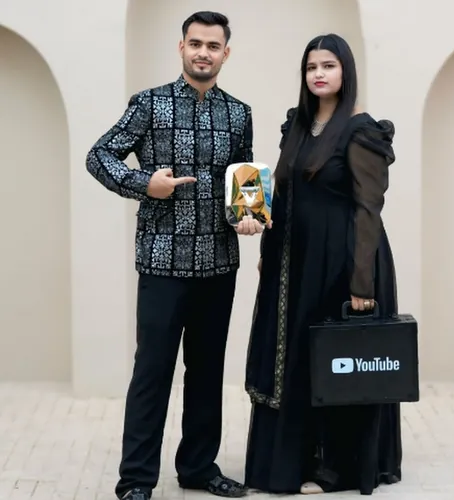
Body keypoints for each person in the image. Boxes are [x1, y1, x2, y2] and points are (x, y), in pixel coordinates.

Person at [86, 11, 262, 500]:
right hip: (162, 264)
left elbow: (243, 179)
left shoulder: (239, 113)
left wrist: (247, 216)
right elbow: (99, 155)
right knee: (152, 373)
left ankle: (199, 468)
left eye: (213, 45)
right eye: (195, 43)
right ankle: (136, 481)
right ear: (181, 47)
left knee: (206, 374)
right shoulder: (150, 104)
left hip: (219, 264)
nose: (203, 52)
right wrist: (145, 184)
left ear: (226, 53)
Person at [244, 33, 402, 496]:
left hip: (344, 262)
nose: (318, 74)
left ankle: (335, 469)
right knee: (294, 359)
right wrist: (268, 250)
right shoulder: (298, 124)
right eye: (311, 66)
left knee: (334, 362)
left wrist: (362, 282)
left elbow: (369, 209)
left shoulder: (361, 130)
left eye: (328, 66)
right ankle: (294, 460)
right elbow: (283, 191)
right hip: (295, 262)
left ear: (345, 72)